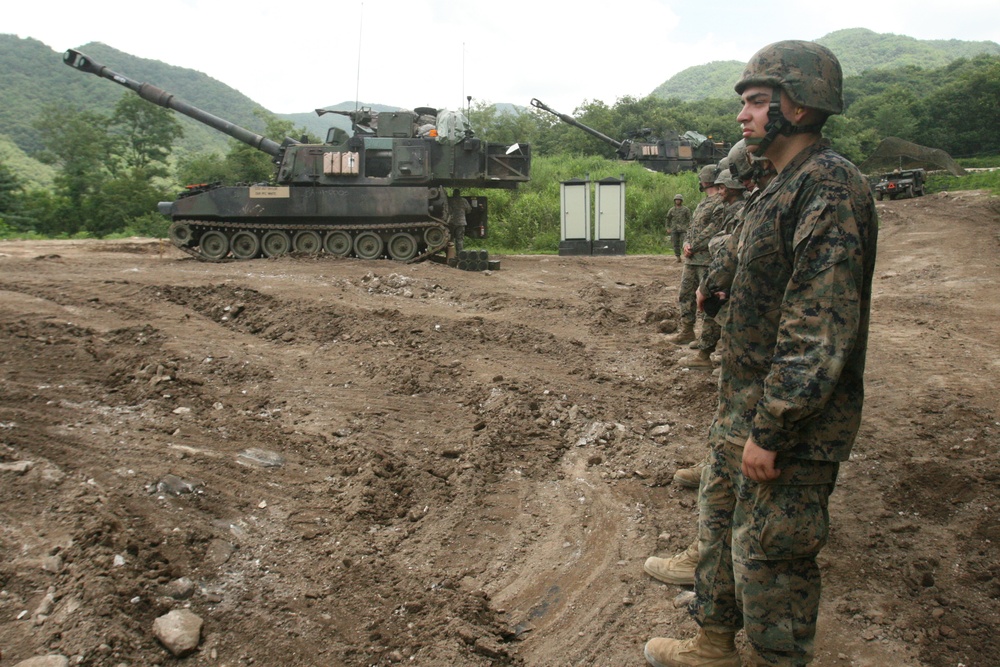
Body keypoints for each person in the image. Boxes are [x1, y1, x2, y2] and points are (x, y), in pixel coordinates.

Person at [644, 40, 878, 667]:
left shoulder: (828, 187)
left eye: (755, 102)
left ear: (798, 106)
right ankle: (713, 643)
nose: (742, 116)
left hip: (790, 423)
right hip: (743, 405)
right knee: (718, 527)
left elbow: (817, 330)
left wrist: (773, 429)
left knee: (775, 557)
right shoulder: (781, 185)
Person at [665, 165, 726, 346]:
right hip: (692, 259)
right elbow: (691, 227)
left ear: (706, 180)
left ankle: (709, 340)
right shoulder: (703, 203)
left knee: (707, 298)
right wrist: (686, 243)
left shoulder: (720, 202)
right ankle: (687, 330)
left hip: (707, 260)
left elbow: (713, 228)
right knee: (686, 295)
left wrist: (693, 245)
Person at [666, 194, 692, 262]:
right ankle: (678, 257)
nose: (677, 201)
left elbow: (690, 219)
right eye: (676, 200)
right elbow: (668, 219)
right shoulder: (672, 210)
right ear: (674, 201)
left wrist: (690, 227)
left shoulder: (685, 209)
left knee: (685, 243)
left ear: (681, 201)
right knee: (675, 243)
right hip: (674, 229)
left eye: (679, 200)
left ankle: (687, 257)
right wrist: (668, 228)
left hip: (683, 229)